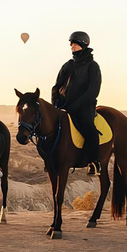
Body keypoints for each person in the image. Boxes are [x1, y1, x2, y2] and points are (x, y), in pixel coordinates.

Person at [51, 31, 102, 175]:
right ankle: (50, 158)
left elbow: (92, 91)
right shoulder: (68, 65)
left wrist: (74, 106)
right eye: (71, 44)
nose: (72, 47)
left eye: (75, 44)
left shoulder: (93, 66)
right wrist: (55, 103)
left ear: (83, 45)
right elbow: (56, 85)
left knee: (89, 128)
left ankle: (94, 162)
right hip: (63, 105)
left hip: (84, 107)